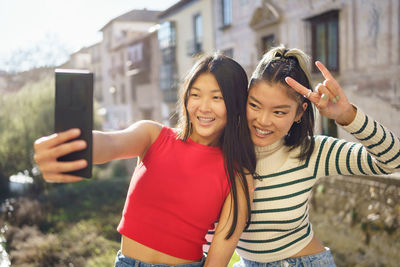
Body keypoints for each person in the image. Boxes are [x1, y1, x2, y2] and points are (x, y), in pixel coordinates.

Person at [33, 54, 257, 267]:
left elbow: (219, 258)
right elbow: (110, 144)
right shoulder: (153, 135)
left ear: (235, 104)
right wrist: (72, 147)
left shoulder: (238, 173)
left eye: (217, 97)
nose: (203, 106)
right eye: (195, 94)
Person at [232, 46, 400, 266]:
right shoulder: (228, 152)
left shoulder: (313, 151)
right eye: (254, 105)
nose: (263, 120)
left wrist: (347, 116)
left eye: (279, 112)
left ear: (299, 113)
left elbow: (393, 160)